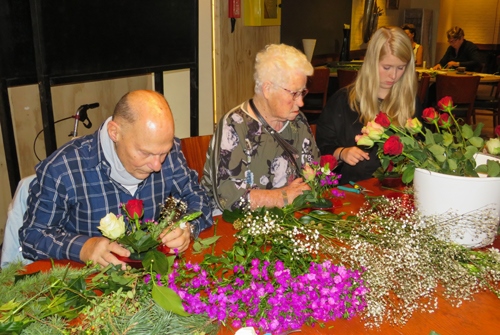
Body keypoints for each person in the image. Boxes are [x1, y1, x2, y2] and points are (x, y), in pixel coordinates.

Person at [19, 90, 213, 269]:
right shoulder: (63, 169)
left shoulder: (169, 154)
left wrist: (187, 227)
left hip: (151, 275)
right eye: (145, 152)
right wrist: (83, 247)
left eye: (163, 152)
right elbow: (32, 236)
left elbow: (200, 198)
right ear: (115, 132)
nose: (157, 165)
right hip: (90, 284)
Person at [201, 44, 320, 212]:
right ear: (268, 89)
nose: (301, 103)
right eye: (294, 94)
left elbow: (314, 173)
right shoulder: (234, 126)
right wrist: (283, 197)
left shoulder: (298, 121)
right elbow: (228, 198)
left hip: (286, 218)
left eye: (303, 92)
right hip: (231, 224)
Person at [316, 26, 422, 185]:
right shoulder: (343, 101)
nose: (393, 76)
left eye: (401, 68)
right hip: (350, 190)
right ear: (371, 62)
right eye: (386, 67)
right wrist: (342, 152)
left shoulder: (410, 103)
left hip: (396, 188)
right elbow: (320, 150)